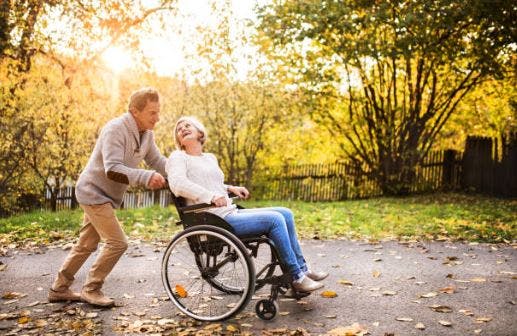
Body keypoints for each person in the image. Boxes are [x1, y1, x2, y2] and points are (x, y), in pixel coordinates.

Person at [166, 116, 328, 293]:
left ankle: (303, 270)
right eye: (179, 128)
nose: (182, 128)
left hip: (228, 213)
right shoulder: (177, 157)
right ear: (178, 139)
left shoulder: (209, 158)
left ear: (199, 132)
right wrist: (210, 196)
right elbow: (178, 184)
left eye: (187, 125)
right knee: (274, 220)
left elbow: (210, 184)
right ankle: (296, 277)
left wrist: (230, 188)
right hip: (212, 219)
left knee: (286, 213)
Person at [48, 88, 168, 307]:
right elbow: (112, 168)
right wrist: (146, 177)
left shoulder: (147, 135)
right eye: (152, 112)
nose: (157, 118)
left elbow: (158, 162)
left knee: (86, 244)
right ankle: (91, 289)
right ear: (135, 111)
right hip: (92, 191)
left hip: (107, 196)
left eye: (158, 112)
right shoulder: (115, 129)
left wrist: (181, 174)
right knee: (117, 243)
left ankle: (59, 288)